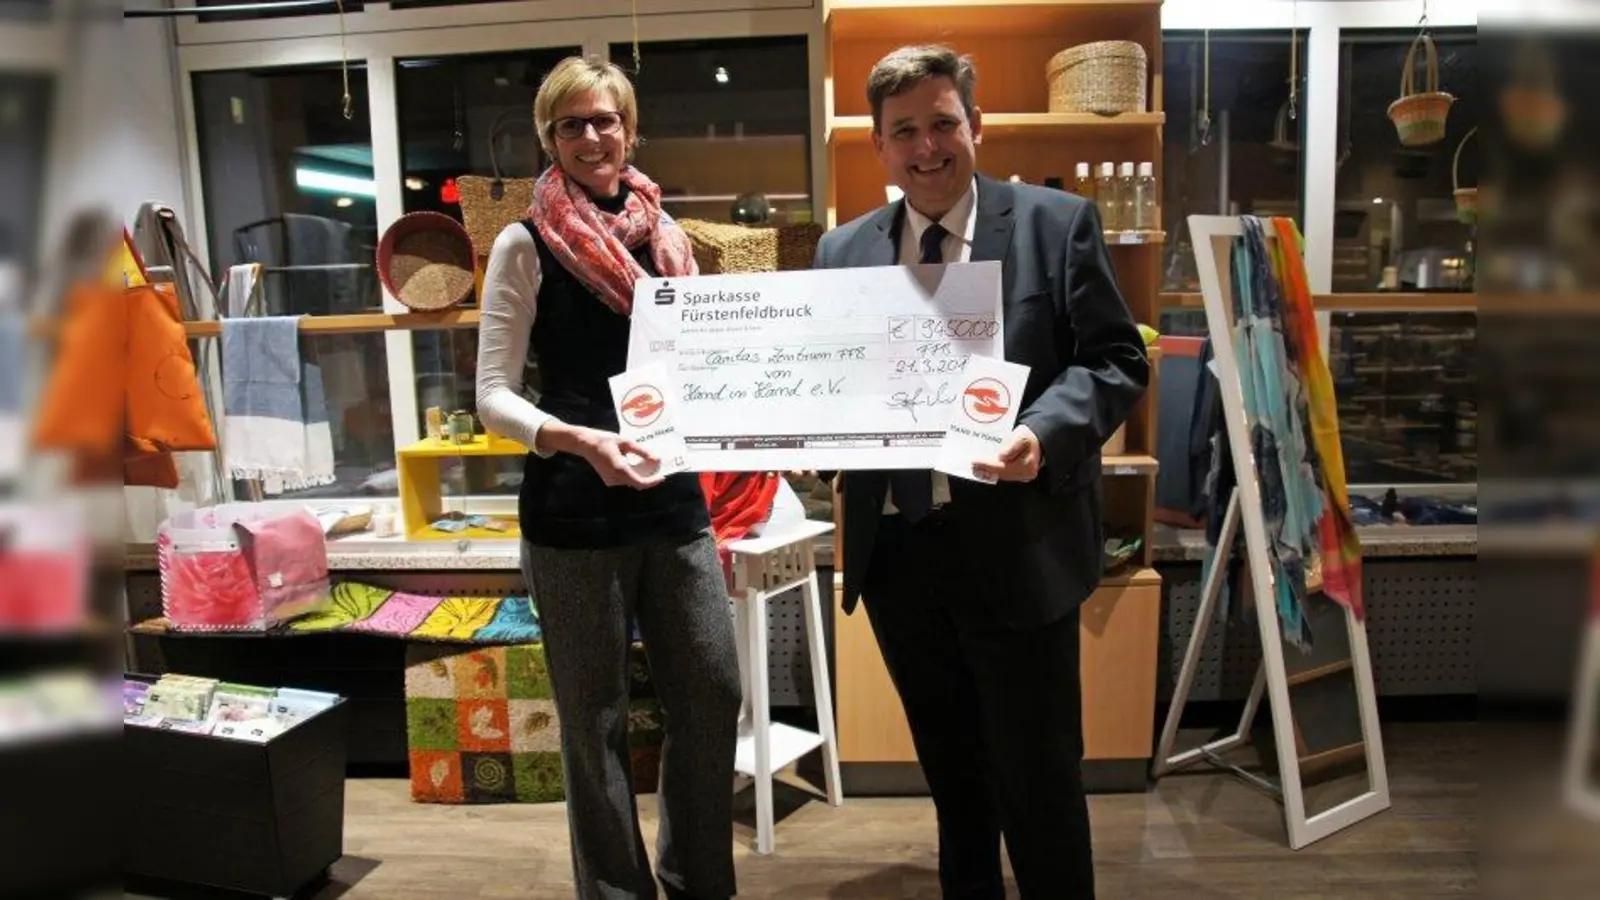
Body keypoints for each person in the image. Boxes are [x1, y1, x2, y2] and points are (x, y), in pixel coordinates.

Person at [812, 45, 1150, 899]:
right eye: (904, 132)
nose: (926, 148)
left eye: (941, 123)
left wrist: (1042, 432)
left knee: (1039, 785)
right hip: (899, 557)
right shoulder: (841, 251)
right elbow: (830, 382)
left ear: (975, 125)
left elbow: (1114, 362)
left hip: (1019, 545)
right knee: (956, 784)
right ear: (880, 146)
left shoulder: (1053, 222)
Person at [475, 55, 740, 900]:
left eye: (605, 120)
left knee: (711, 693)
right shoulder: (525, 242)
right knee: (594, 725)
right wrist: (580, 440)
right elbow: (490, 396)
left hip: (672, 504)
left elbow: (702, 367)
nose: (592, 137)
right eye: (571, 125)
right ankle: (617, 892)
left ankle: (699, 879)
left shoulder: (670, 239)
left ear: (630, 128)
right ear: (549, 139)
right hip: (572, 516)